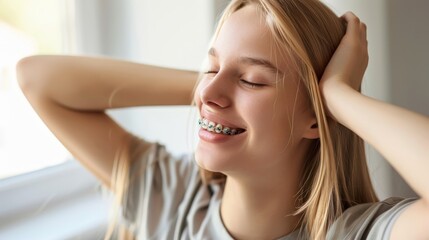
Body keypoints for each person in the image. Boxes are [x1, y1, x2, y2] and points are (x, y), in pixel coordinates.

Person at [16, 0, 429, 239]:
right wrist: (206, 88)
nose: (209, 94)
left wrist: (339, 97)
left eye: (251, 80)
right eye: (210, 69)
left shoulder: (358, 234)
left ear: (316, 121)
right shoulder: (175, 202)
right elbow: (36, 78)